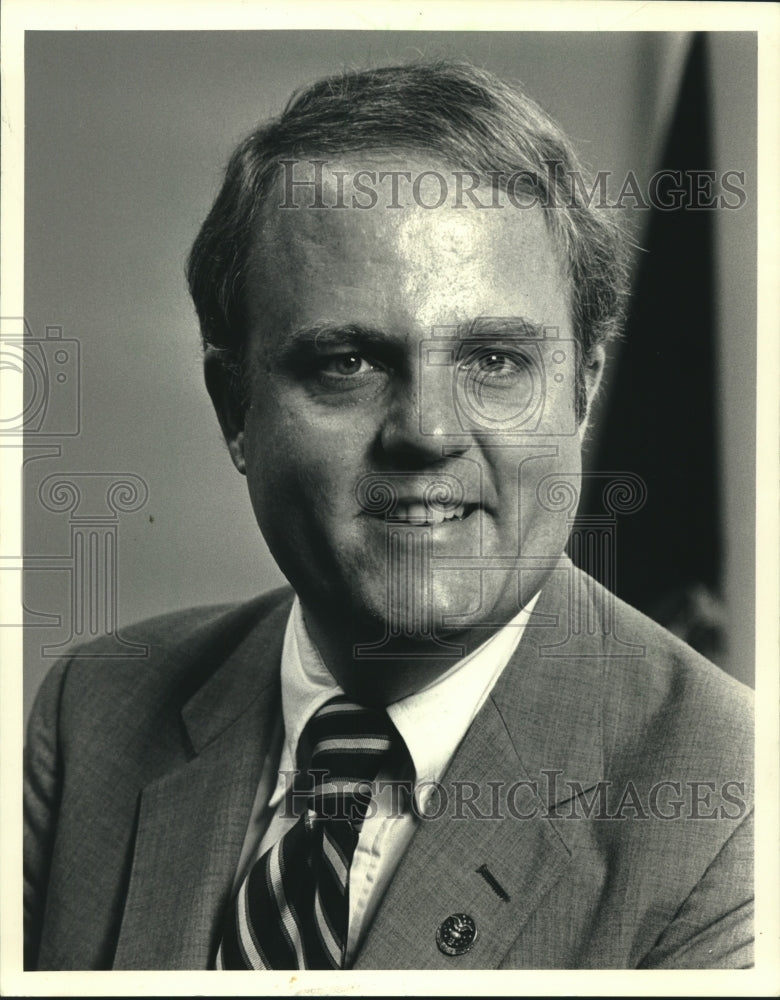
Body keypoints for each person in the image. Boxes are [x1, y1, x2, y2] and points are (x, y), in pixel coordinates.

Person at [23, 61, 753, 971]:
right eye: (349, 362)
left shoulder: (734, 808)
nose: (429, 432)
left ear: (584, 392)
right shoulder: (90, 712)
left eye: (493, 360)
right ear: (233, 405)